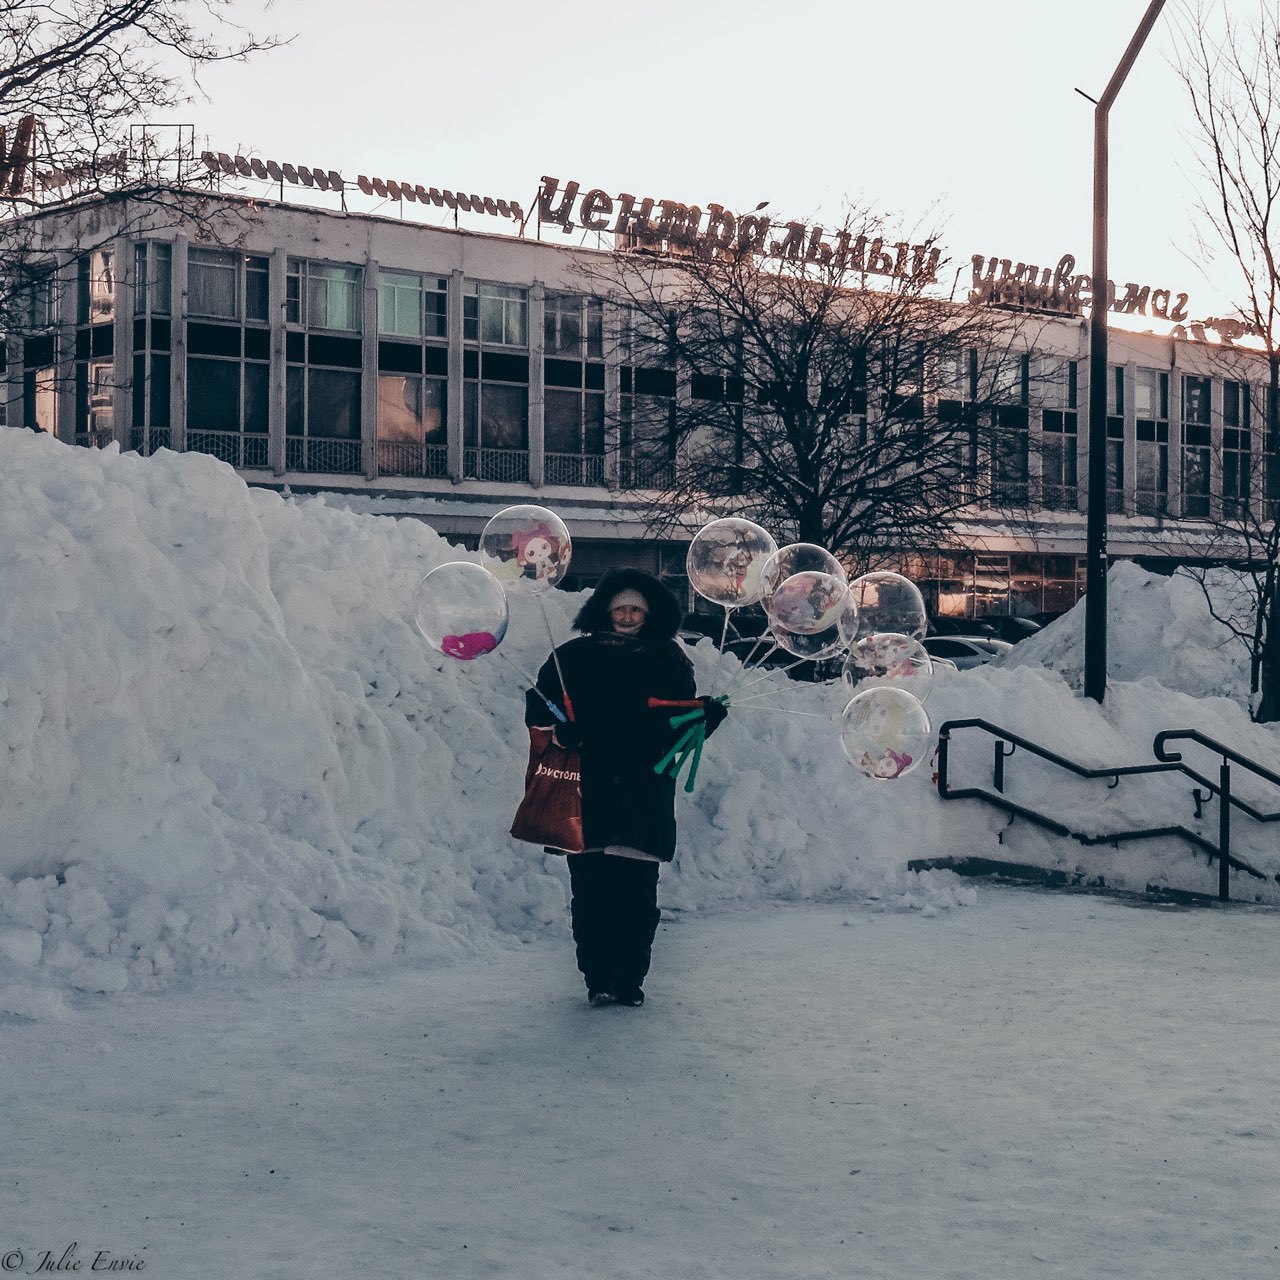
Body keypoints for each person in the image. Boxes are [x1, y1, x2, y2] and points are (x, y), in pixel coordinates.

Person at [525, 568, 727, 1007]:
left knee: (636, 895)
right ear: (606, 610)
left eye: (636, 609)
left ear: (649, 612)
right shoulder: (571, 657)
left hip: (642, 790)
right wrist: (563, 733)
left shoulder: (668, 660)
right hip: (587, 790)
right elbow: (539, 711)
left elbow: (676, 730)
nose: (628, 616)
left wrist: (702, 721)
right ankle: (597, 978)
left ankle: (630, 978)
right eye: (621, 608)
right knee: (591, 893)